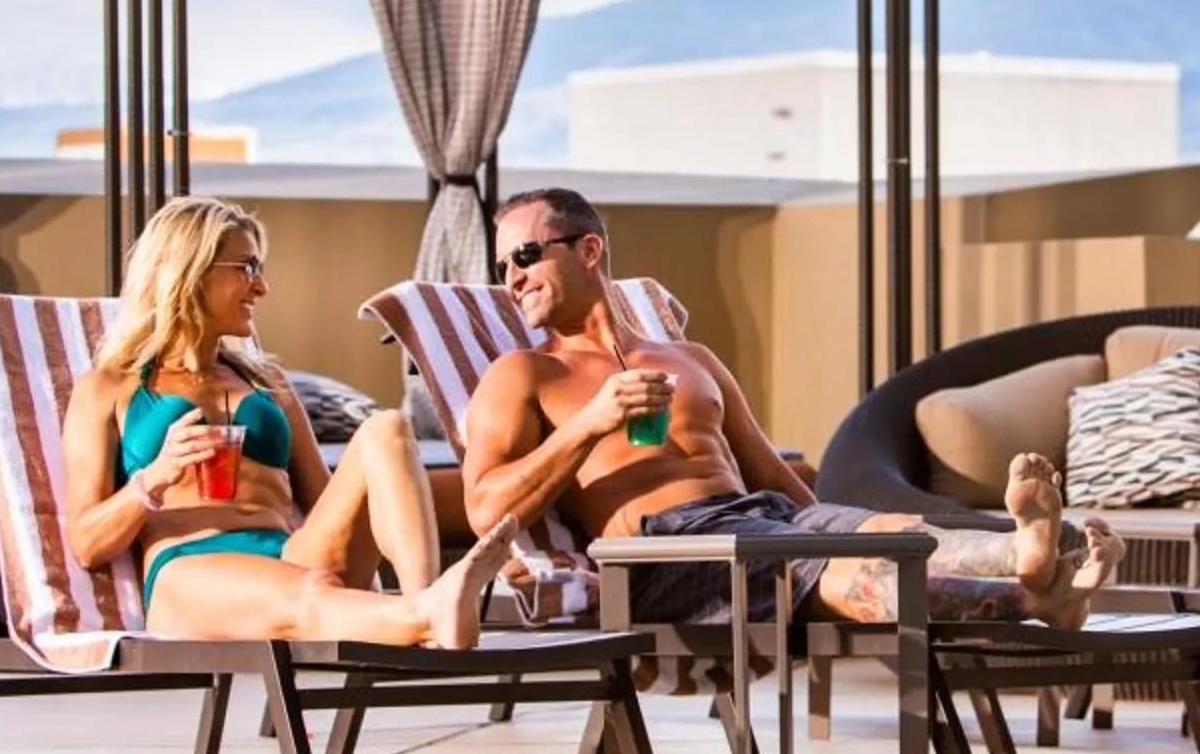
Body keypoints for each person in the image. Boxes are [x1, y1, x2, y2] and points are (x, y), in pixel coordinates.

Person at [459, 186, 1119, 628]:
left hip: (762, 521)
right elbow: (485, 511)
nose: (511, 278)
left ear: (589, 250)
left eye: (523, 256)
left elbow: (772, 475)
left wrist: (836, 519)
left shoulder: (692, 360)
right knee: (837, 567)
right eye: (501, 266)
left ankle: (1028, 567)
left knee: (888, 534)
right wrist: (591, 423)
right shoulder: (523, 375)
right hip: (666, 555)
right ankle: (1034, 591)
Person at [63, 194, 520, 645]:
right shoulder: (108, 388)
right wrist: (153, 479)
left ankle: (427, 600)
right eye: (247, 268)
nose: (262, 287)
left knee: (387, 428)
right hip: (191, 566)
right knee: (308, 594)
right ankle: (425, 616)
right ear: (191, 271)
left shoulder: (268, 384)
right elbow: (86, 542)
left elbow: (328, 500)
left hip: (288, 552)